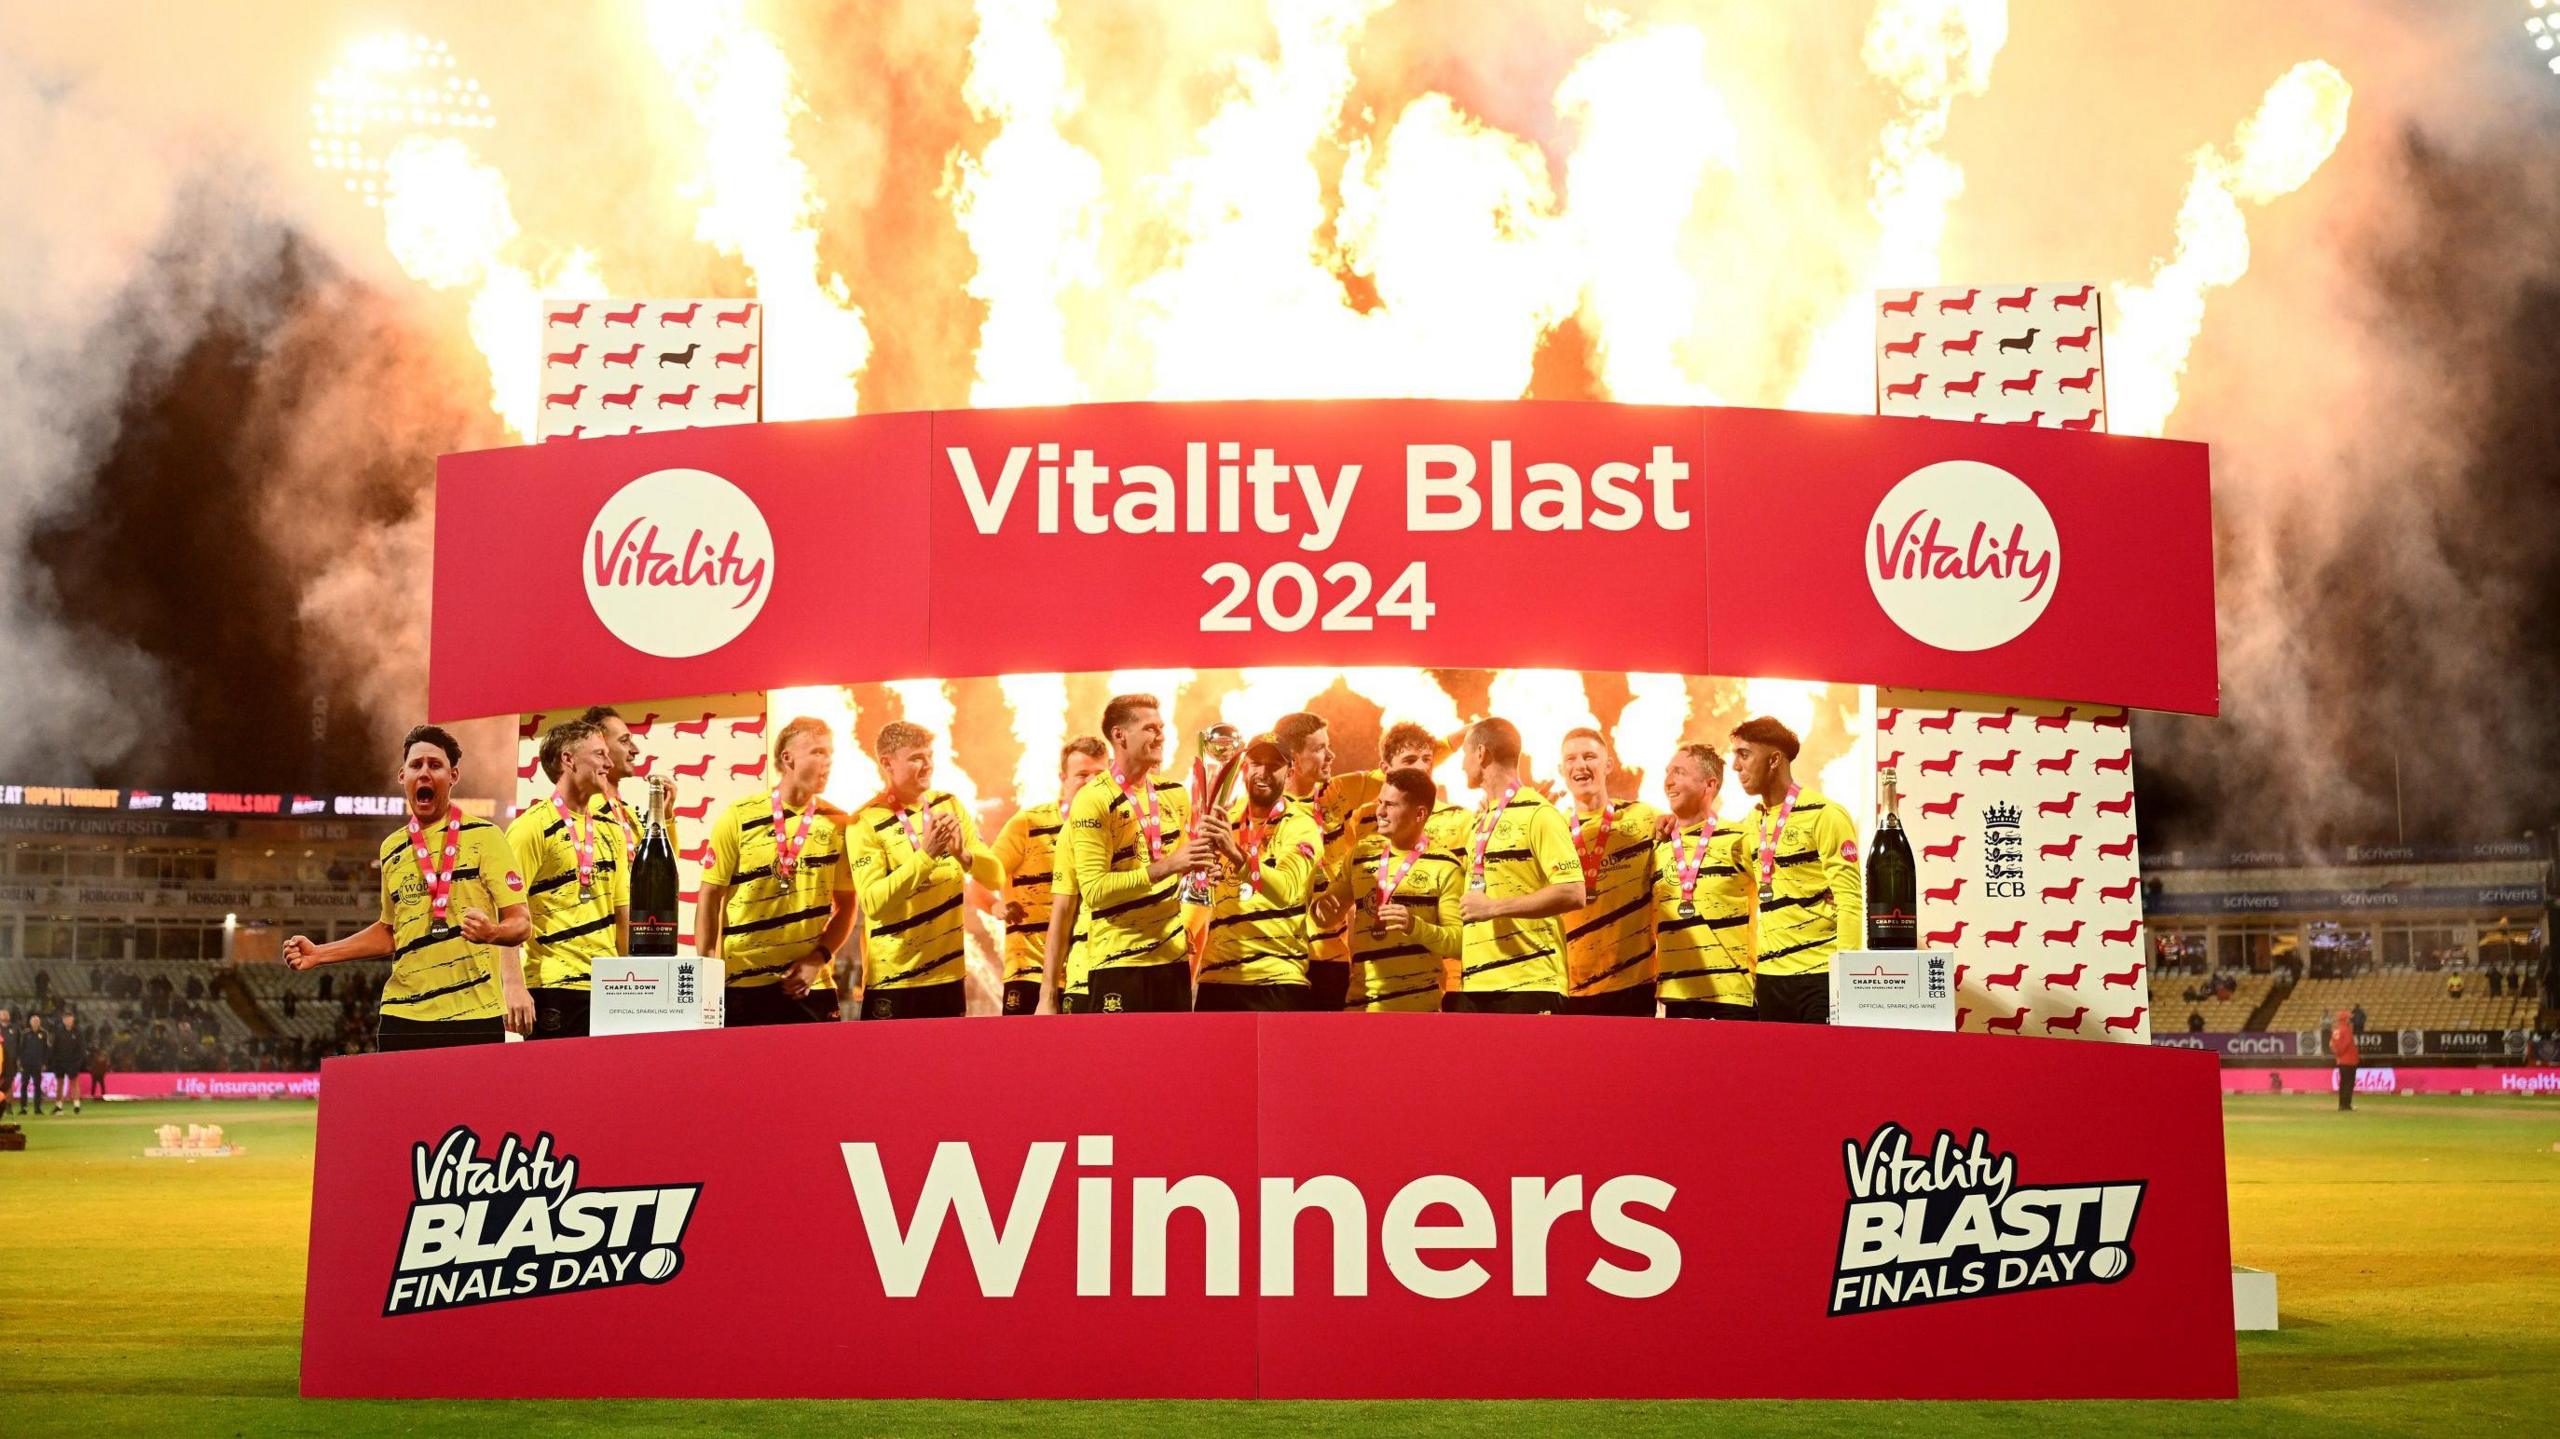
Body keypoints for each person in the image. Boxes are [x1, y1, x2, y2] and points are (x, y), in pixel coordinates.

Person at [284, 725, 534, 1051]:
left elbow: (521, 922)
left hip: (472, 1014)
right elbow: (390, 932)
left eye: (435, 765)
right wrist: (320, 954)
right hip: (401, 1017)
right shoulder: (391, 848)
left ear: (453, 775)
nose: (425, 772)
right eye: (417, 765)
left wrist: (493, 933)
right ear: (402, 776)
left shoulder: (486, 836)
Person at [697, 717, 862, 1025]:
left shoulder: (840, 823)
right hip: (742, 987)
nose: (828, 762)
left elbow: (847, 905)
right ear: (788, 758)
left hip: (810, 986)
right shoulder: (739, 816)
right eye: (817, 752)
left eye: (830, 754)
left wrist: (818, 959)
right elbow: (709, 895)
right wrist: (706, 974)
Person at [1057, 693, 1212, 1015]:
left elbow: (1182, 868)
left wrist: (1201, 870)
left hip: (1172, 960)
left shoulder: (1174, 794)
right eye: (1150, 729)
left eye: (1161, 727)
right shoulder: (1093, 799)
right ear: (1119, 735)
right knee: (1120, 1064)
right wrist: (1169, 865)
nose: (1161, 736)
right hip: (1119, 961)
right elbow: (1095, 891)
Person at [846, 722, 1004, 1020]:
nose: (927, 764)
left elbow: (995, 876)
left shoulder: (950, 805)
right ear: (887, 763)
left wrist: (963, 854)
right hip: (894, 982)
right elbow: (873, 903)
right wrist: (927, 855)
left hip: (948, 979)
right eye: (916, 757)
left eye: (930, 755)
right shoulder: (864, 822)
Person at [1728, 716, 1860, 1025]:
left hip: (1820, 976)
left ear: (1774, 759)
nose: (1735, 765)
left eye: (1744, 754)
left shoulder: (1825, 814)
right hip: (1770, 979)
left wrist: (1849, 979)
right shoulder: (1751, 822)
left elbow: (1850, 899)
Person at [1448, 717, 1585, 1014]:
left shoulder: (1540, 814)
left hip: (1530, 983)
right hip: (1475, 986)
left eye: (1464, 755)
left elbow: (1573, 892)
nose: (1461, 765)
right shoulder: (1481, 819)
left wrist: (1493, 908)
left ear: (1481, 754)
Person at [505, 719, 631, 1040]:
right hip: (554, 988)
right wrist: (513, 986)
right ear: (568, 759)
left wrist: (636, 983)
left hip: (609, 989)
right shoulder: (529, 828)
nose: (609, 762)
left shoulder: (609, 828)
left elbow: (622, 915)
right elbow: (503, 914)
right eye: (599, 754)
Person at [1194, 733, 1325, 1010]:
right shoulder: (1222, 820)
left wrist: (1237, 857)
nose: (1263, 772)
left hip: (1277, 979)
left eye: (1274, 765)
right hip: (1216, 978)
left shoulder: (1300, 826)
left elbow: (1289, 890)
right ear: (1243, 767)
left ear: (1290, 771)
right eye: (1256, 763)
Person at [1324, 766, 1466, 1011]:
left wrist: (1414, 926)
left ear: (1420, 814)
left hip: (1417, 1011)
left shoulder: (1446, 866)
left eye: (1391, 805)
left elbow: (1458, 942)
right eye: (1380, 802)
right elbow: (1327, 916)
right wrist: (1320, 907)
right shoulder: (1361, 854)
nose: (1380, 811)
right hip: (1361, 1007)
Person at [1274, 712, 1385, 1016]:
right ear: (1293, 759)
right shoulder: (1264, 811)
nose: (1331, 754)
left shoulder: (1338, 792)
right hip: (1281, 962)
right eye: (1319, 748)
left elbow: (1399, 772)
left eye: (1328, 745)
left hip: (1333, 961)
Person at [992, 738, 1108, 1015]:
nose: (1091, 782)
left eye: (1099, 775)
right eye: (1082, 775)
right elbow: (981, 882)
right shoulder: (1029, 822)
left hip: (1087, 972)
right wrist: (995, 905)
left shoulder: (1111, 825)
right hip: (1031, 971)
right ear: (1063, 777)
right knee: (1026, 1055)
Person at [1555, 727, 1661, 1016]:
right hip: (1570, 986)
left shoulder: (1644, 816)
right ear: (1561, 769)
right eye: (1571, 759)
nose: (1581, 766)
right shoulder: (1552, 828)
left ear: (1608, 765)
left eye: (1590, 756)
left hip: (1634, 983)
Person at [1652, 743, 1755, 1020]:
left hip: (1732, 995)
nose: (1668, 781)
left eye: (1679, 772)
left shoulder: (1741, 838)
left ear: (1709, 785)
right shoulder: (1658, 844)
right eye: (1667, 772)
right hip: (1677, 996)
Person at [50, 1011, 86, 1114]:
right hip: (60, 1062)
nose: (68, 1021)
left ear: (73, 1020)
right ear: (63, 1020)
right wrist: (54, 1061)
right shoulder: (59, 1031)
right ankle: (59, 1106)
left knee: (74, 1082)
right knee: (59, 1084)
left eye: (69, 1019)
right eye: (66, 1019)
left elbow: (81, 1049)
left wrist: (78, 1062)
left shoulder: (78, 1032)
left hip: (72, 1062)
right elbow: (54, 1047)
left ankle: (76, 1104)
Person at [14, 1012, 47, 1115]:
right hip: (26, 1064)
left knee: (37, 1086)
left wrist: (44, 1062)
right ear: (30, 1023)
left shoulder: (43, 1034)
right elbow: (21, 1049)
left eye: (37, 1021)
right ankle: (23, 1108)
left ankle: (37, 1108)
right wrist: (20, 1062)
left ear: (39, 1023)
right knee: (24, 1085)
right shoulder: (25, 1033)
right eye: (34, 1021)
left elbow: (46, 1049)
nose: (36, 1023)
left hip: (37, 1064)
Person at [2332, 1007, 2360, 1112]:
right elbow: (2345, 1044)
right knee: (2348, 1083)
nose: (2350, 1020)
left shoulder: (2336, 1030)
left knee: (2343, 1083)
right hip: (2349, 1060)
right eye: (2348, 1018)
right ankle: (2346, 1105)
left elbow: (2332, 1044)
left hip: (2341, 1061)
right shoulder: (2346, 1030)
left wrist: (2338, 1054)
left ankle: (2342, 1104)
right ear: (2345, 1019)